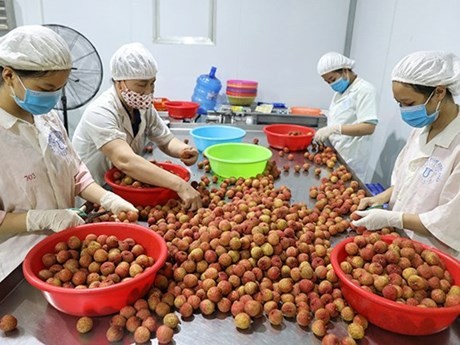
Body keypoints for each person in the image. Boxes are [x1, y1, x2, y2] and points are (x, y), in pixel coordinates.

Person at [0, 26, 138, 280]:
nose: (54, 97)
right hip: (15, 267)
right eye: (46, 87)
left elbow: (75, 171)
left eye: (59, 88)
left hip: (66, 254)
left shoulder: (47, 118)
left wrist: (108, 199)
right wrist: (39, 219)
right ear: (9, 76)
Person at [352, 51, 460, 258]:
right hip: (395, 247)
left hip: (432, 256)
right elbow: (408, 182)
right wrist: (380, 198)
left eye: (409, 104)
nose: (404, 110)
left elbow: (449, 219)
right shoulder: (422, 128)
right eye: (399, 103)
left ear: (438, 92)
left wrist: (394, 219)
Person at [72, 43, 202, 211]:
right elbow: (125, 160)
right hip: (96, 194)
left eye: (152, 84)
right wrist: (180, 185)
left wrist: (183, 150)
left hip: (125, 188)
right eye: (141, 85)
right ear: (120, 83)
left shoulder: (143, 106)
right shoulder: (100, 112)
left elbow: (165, 139)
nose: (148, 91)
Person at [315, 52, 379, 182]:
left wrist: (335, 129)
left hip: (352, 158)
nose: (331, 84)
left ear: (345, 70)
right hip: (336, 155)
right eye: (328, 82)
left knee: (348, 191)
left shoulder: (365, 90)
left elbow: (369, 127)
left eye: (333, 79)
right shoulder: (340, 93)